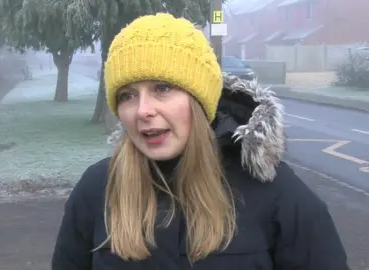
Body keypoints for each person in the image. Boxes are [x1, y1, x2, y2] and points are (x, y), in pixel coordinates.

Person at [52, 13, 349, 270]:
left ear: (199, 100)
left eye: (163, 88)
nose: (143, 110)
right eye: (127, 95)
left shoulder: (275, 192)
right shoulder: (97, 190)